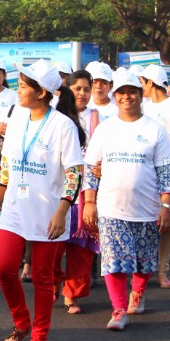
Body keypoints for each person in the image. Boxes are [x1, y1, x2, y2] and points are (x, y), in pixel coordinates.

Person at [0, 60, 83, 341]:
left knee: (42, 277)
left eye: (23, 85)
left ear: (41, 92)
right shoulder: (16, 119)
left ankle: (38, 340)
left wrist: (62, 209)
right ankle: (21, 323)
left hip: (47, 212)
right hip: (15, 208)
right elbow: (7, 166)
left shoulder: (63, 126)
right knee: (4, 269)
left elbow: (74, 173)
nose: (17, 90)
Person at [82, 68, 170, 331]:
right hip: (111, 207)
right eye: (121, 93)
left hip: (146, 209)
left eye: (132, 92)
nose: (127, 97)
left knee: (144, 262)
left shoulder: (155, 130)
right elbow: (91, 167)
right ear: (115, 96)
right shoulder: (105, 129)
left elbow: (166, 171)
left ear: (140, 95)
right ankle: (119, 309)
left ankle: (138, 291)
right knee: (113, 260)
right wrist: (90, 201)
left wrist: (166, 206)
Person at [138, 65, 170, 289]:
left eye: (142, 82)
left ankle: (162, 271)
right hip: (146, 176)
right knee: (145, 223)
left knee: (166, 225)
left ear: (151, 82)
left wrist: (165, 166)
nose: (141, 88)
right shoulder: (144, 108)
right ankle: (143, 271)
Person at [57, 70, 99, 314]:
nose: (82, 93)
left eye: (86, 89)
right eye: (77, 88)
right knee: (53, 244)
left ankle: (72, 294)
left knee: (81, 248)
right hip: (59, 188)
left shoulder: (97, 118)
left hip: (86, 191)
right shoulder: (57, 116)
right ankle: (51, 284)